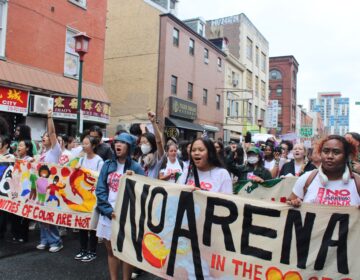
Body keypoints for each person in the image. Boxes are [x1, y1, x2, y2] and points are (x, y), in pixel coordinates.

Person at [96, 133, 144, 280]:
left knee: (125, 252)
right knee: (111, 251)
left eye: (122, 143)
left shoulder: (136, 166)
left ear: (129, 147)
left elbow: (144, 190)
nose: (118, 145)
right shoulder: (107, 164)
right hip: (108, 214)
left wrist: (133, 179)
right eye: (117, 142)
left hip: (127, 216)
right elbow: (100, 189)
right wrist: (108, 210)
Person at [288, 135, 360, 207]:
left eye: (336, 152)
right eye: (325, 151)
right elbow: (288, 205)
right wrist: (294, 203)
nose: (329, 156)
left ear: (347, 156)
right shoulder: (306, 178)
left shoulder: (358, 182)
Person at [36, 109, 63, 253]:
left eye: (46, 136)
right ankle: (44, 239)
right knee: (40, 215)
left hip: (50, 188)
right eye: (43, 136)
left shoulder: (55, 151)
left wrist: (49, 117)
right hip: (40, 188)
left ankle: (56, 241)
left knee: (49, 215)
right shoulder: (42, 153)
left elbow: (52, 133)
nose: (44, 138)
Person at [74, 135, 104, 262]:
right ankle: (83, 249)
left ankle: (92, 251)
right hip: (82, 197)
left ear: (94, 146)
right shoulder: (81, 160)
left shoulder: (99, 161)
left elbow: (100, 179)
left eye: (86, 144)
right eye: (83, 143)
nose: (84, 146)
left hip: (93, 198)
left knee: (92, 226)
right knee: (82, 225)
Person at [138, 112, 164, 179]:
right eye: (141, 143)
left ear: (152, 143)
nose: (143, 145)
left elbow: (158, 142)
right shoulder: (141, 159)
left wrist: (153, 123)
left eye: (145, 142)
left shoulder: (158, 157)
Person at [0, 134, 15, 240]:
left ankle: (1, 232)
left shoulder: (11, 157)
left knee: (2, 213)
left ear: (5, 145)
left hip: (4, 189)